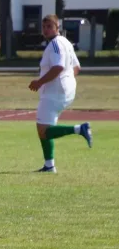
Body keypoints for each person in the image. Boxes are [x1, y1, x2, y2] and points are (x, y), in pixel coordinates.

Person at [28, 14, 92, 173]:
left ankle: (79, 129)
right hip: (63, 91)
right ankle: (49, 165)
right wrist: (67, 81)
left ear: (57, 28)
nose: (46, 29)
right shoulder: (66, 43)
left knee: (43, 130)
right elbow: (77, 68)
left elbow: (58, 67)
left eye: (49, 26)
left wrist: (39, 82)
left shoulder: (56, 44)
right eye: (44, 26)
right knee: (43, 127)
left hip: (54, 92)